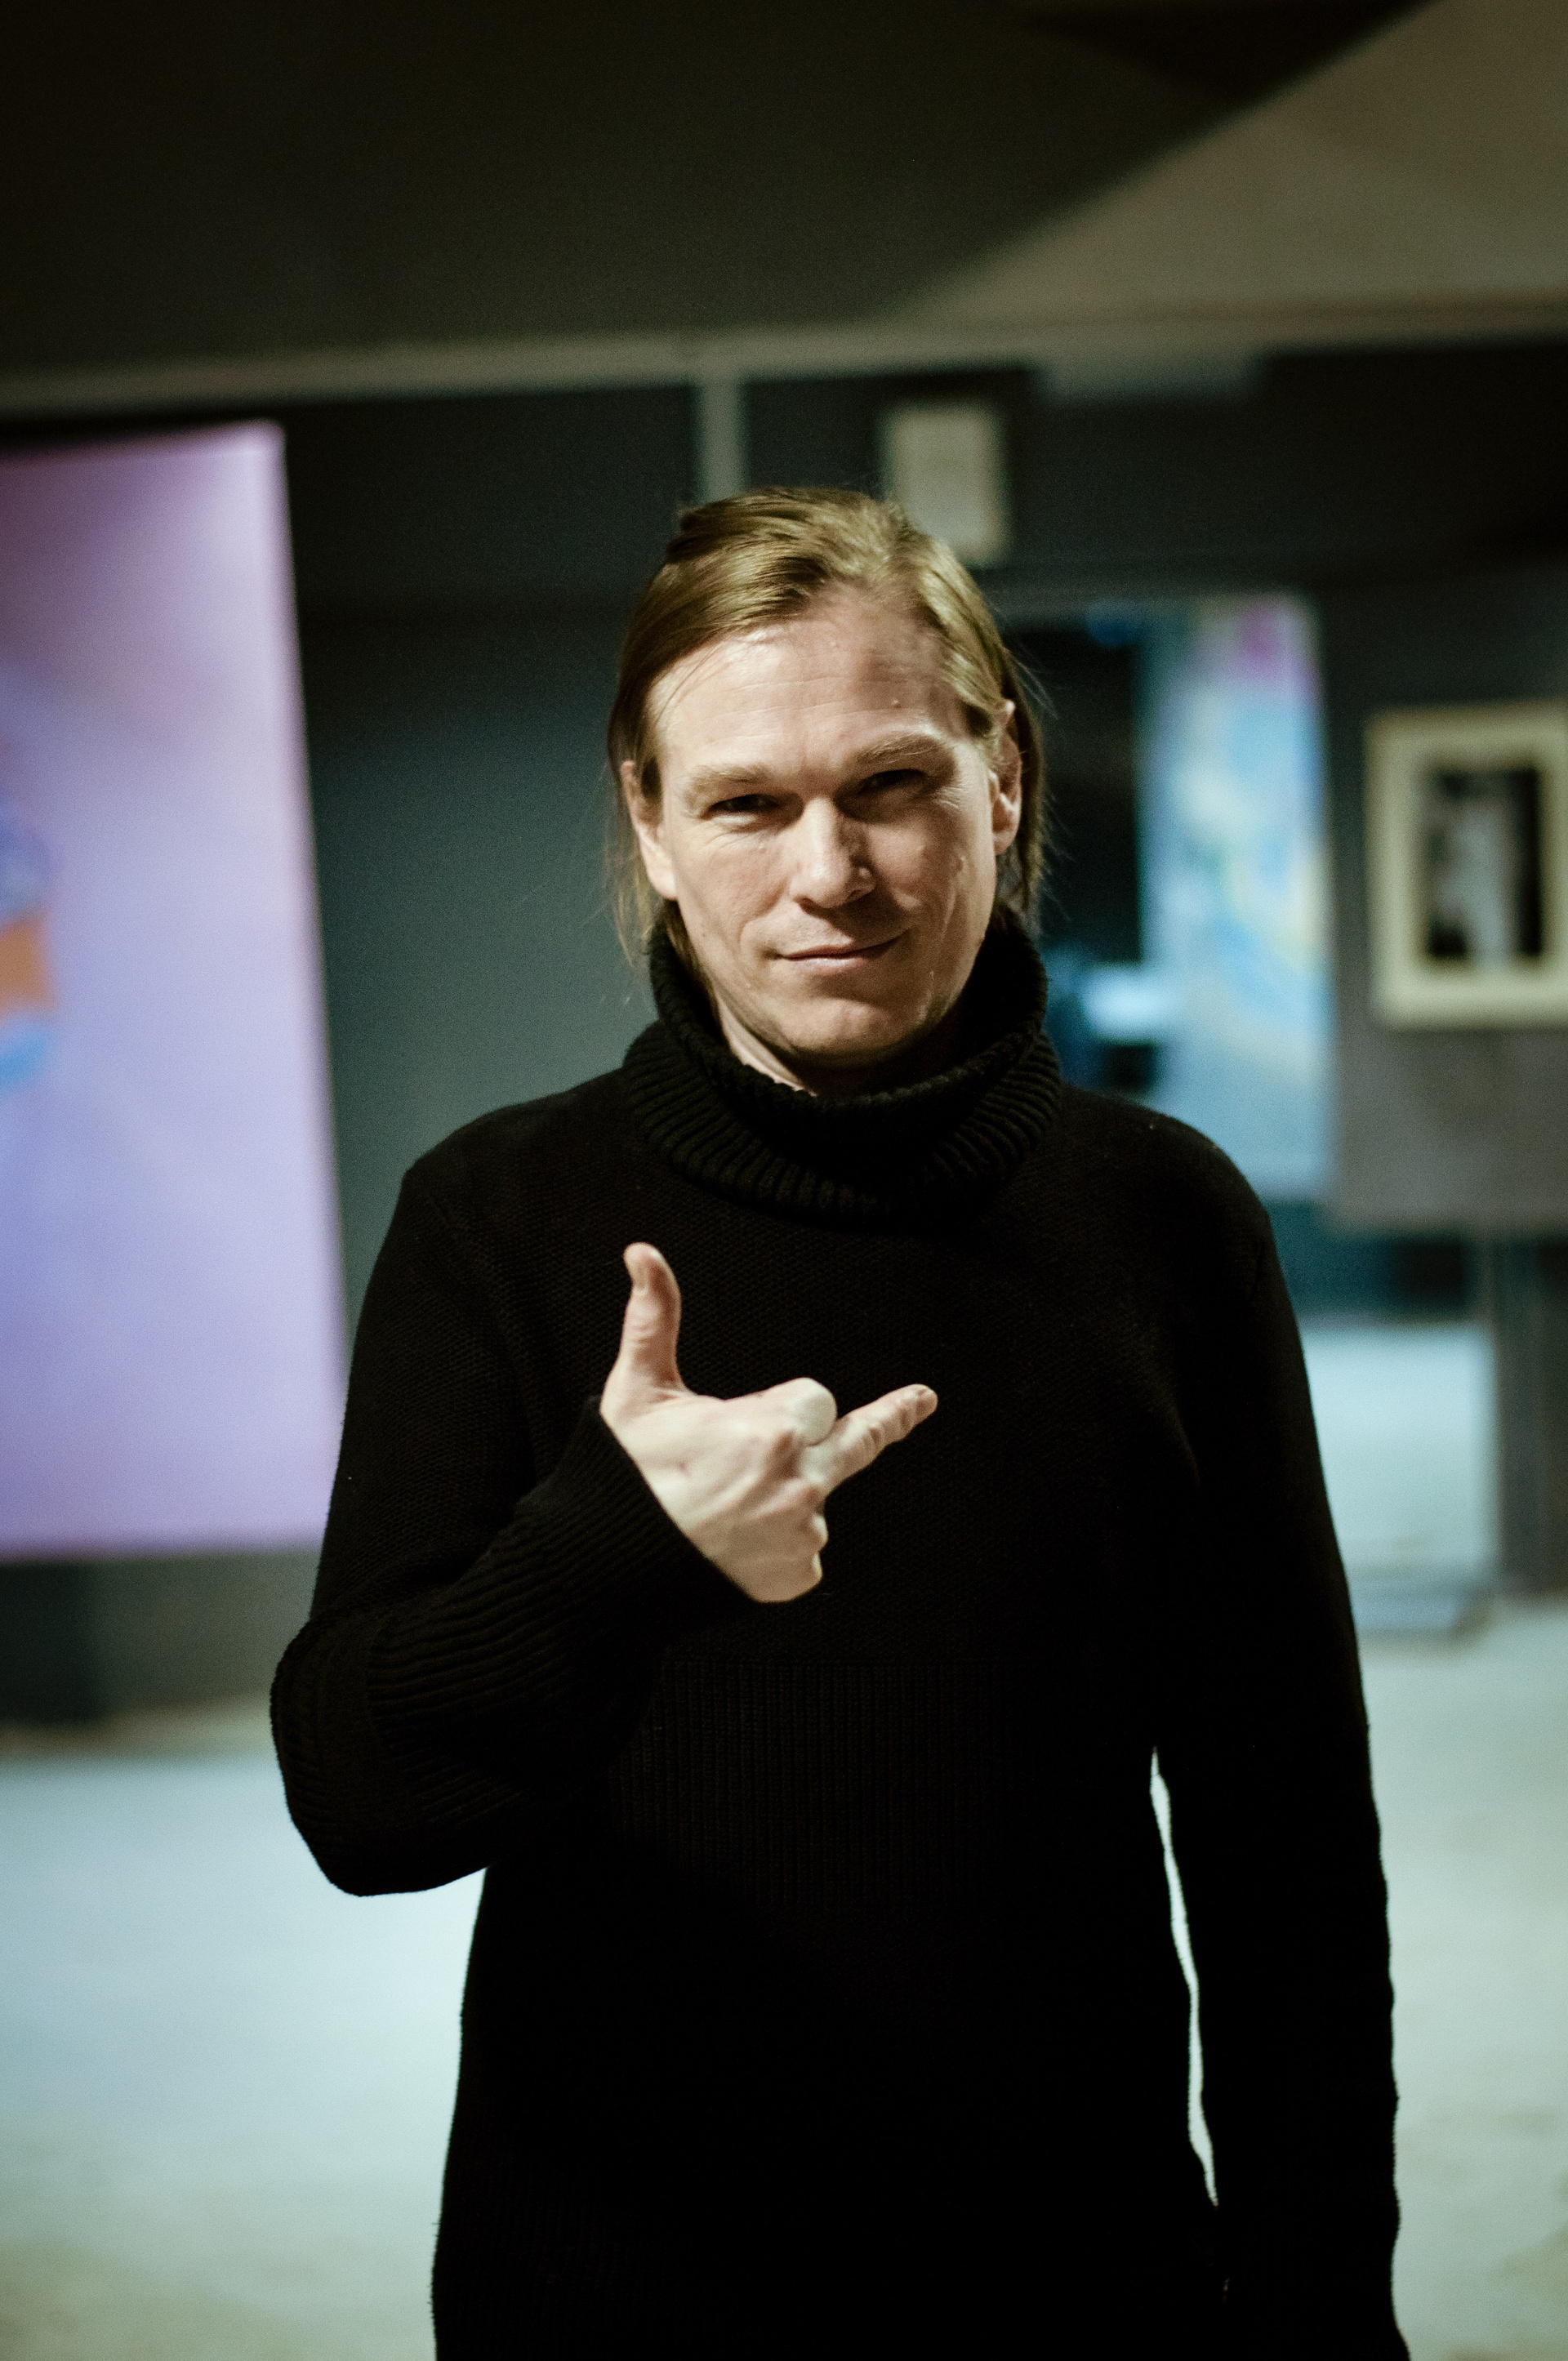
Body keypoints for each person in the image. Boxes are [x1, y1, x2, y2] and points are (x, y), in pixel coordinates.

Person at [272, 488, 1408, 2358]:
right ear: (650, 821)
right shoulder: (497, 1216)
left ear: (1002, 781)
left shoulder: (1163, 1219)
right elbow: (357, 1801)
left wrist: (1320, 2301)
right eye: (746, 804)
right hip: (616, 2281)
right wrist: (607, 1553)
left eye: (890, 785)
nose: (831, 873)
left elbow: (1283, 1831)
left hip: (1073, 2271)